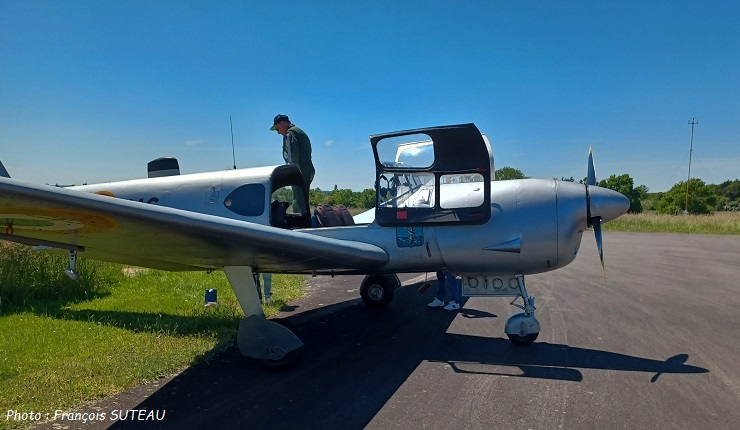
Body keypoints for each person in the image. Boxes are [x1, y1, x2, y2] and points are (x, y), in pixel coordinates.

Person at [270, 114, 314, 214]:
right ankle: (305, 220)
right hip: (308, 169)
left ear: (282, 124)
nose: (278, 133)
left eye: (277, 129)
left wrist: (291, 172)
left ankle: (300, 224)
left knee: (298, 200)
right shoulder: (299, 131)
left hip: (299, 171)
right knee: (303, 198)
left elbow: (292, 155)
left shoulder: (289, 134)